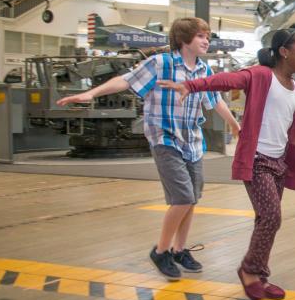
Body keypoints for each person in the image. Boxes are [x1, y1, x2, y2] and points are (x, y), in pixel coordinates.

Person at [56, 17, 240, 279]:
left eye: (207, 36)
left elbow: (214, 99)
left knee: (192, 200)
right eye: (201, 36)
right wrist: (91, 94)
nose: (206, 41)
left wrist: (233, 124)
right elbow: (125, 81)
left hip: (192, 141)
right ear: (183, 39)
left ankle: (180, 249)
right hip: (164, 138)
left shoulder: (203, 70)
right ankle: (161, 251)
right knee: (183, 197)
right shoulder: (161, 63)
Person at [159, 26, 295, 300]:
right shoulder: (262, 75)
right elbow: (227, 80)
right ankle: (249, 271)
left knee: (266, 220)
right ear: (284, 52)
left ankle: (260, 275)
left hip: (279, 163)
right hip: (257, 160)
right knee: (272, 217)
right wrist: (191, 85)